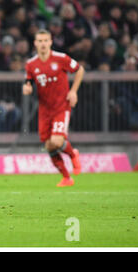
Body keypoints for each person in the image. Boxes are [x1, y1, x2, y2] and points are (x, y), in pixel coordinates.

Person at [22, 29, 85, 187]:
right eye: (40, 41)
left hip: (61, 107)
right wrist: (27, 88)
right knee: (49, 146)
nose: (43, 44)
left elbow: (79, 70)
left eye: (46, 41)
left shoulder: (61, 58)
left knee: (57, 141)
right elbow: (27, 82)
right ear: (35, 43)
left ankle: (72, 153)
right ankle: (67, 178)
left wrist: (73, 91)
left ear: (50, 42)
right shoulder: (31, 64)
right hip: (44, 110)